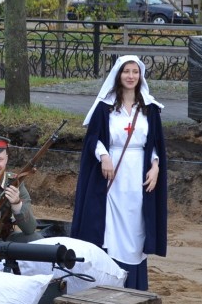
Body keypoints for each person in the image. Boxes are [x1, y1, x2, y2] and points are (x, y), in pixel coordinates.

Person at [70, 55, 168, 291]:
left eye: (135, 72)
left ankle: (133, 284)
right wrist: (104, 157)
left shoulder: (150, 108)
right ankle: (108, 280)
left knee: (136, 225)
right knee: (109, 226)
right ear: (118, 75)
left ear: (140, 76)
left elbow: (154, 143)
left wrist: (155, 167)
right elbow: (93, 138)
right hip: (111, 175)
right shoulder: (105, 107)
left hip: (139, 174)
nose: (131, 76)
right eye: (127, 71)